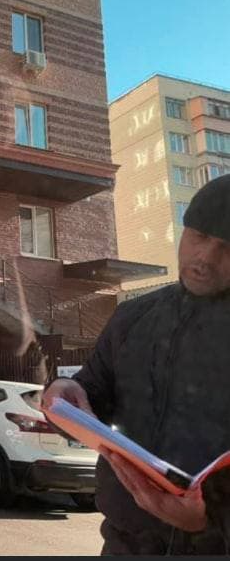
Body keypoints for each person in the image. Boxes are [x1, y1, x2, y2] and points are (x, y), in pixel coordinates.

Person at [43, 174, 230, 555]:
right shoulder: (133, 318)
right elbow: (90, 392)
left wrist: (208, 523)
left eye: (227, 247)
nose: (205, 257)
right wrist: (63, 394)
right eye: (198, 236)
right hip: (124, 545)